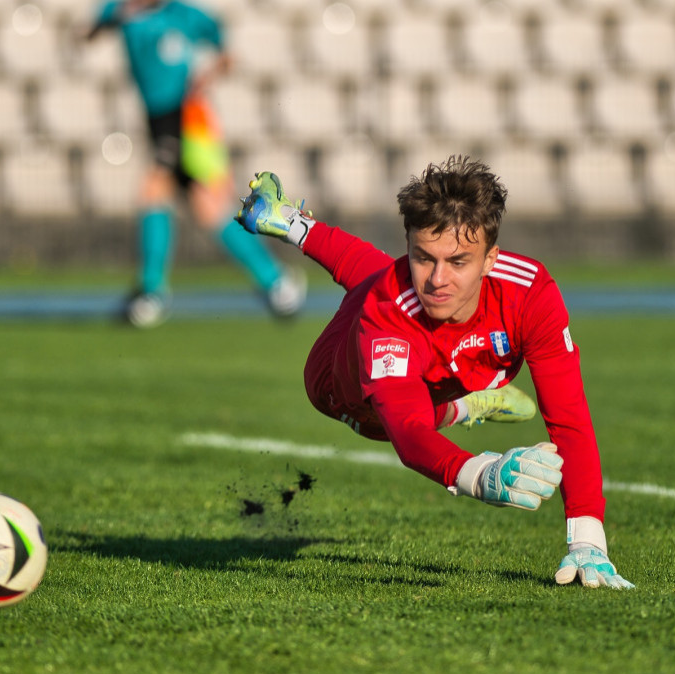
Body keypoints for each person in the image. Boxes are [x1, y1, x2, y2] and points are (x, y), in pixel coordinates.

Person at [235, 158, 634, 589]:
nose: (438, 280)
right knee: (394, 362)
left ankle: (288, 221)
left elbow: (568, 417)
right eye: (423, 257)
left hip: (439, 359)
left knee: (379, 275)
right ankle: (462, 407)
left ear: (490, 259)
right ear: (409, 244)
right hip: (338, 385)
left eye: (459, 261)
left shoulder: (531, 294)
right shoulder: (388, 313)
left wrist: (587, 541)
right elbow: (407, 431)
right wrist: (479, 474)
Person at [83, 0, 306, 328]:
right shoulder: (121, 9)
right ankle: (276, 282)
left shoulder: (182, 15)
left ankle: (152, 292)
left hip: (186, 117)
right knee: (208, 208)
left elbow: (224, 50)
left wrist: (208, 75)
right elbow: (91, 33)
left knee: (155, 190)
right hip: (159, 120)